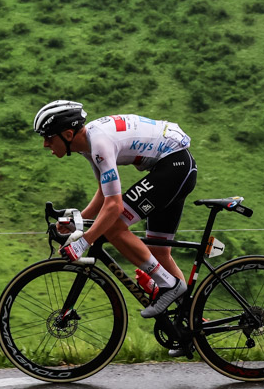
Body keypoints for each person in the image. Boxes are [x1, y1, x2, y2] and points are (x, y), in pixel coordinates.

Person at [33, 99, 198, 319]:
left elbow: (114, 205)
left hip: (174, 165)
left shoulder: (99, 144)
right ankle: (190, 324)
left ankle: (167, 284)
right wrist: (79, 220)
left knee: (113, 227)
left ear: (68, 135)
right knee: (159, 252)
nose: (45, 144)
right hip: (173, 166)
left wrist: (84, 241)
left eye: (48, 137)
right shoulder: (88, 145)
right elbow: (105, 193)